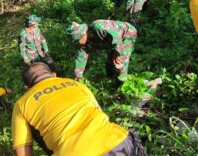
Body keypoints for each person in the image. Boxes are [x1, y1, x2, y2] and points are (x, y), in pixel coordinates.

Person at [11, 62, 146, 156]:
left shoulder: (22, 103)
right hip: (119, 143)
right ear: (54, 75)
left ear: (27, 88)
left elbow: (22, 149)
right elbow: (99, 111)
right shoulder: (75, 84)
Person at [66, 20, 137, 80]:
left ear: (83, 34)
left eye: (78, 40)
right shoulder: (84, 43)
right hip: (111, 41)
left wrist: (118, 54)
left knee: (119, 62)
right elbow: (81, 59)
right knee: (110, 61)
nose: (78, 42)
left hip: (126, 34)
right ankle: (110, 82)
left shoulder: (98, 27)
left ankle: (122, 86)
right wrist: (77, 77)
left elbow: (116, 37)